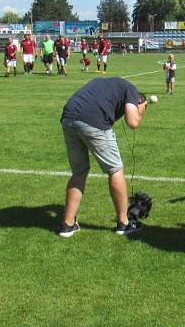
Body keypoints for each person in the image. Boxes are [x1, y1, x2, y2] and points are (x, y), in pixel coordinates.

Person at [58, 77, 149, 237]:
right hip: (92, 120)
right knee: (115, 169)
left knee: (79, 172)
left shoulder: (110, 85)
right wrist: (141, 110)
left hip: (68, 117)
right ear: (138, 101)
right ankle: (124, 223)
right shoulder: (132, 92)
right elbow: (133, 122)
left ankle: (68, 224)